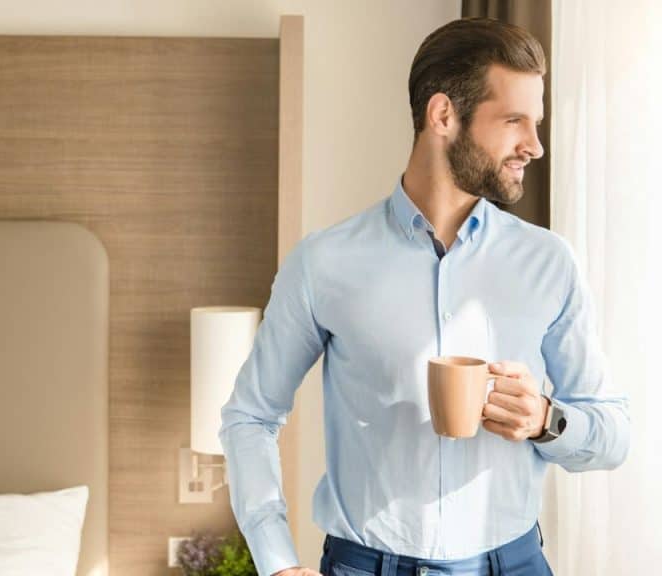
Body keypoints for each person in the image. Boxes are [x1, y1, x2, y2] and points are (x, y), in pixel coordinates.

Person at [218, 17, 630, 576]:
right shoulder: (324, 263)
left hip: (515, 563)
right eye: (514, 121)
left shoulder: (549, 262)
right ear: (443, 115)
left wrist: (545, 420)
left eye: (536, 123)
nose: (534, 146)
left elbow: (612, 434)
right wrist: (275, 559)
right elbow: (250, 415)